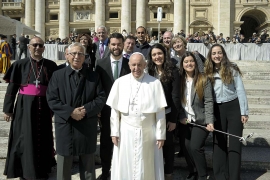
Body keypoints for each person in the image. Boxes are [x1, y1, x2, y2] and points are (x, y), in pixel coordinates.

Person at [46, 42, 106, 180]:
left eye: (80, 54)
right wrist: (71, 112)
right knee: (64, 165)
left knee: (88, 166)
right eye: (73, 53)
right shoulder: (57, 75)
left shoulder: (93, 76)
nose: (77, 56)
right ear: (67, 56)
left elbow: (101, 97)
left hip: (87, 124)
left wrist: (85, 110)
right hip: (66, 124)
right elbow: (52, 99)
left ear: (85, 57)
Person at [3, 37, 57, 179]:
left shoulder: (51, 65)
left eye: (40, 45)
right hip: (24, 107)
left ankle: (43, 168)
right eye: (34, 45)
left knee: (44, 137)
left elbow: (56, 88)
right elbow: (12, 87)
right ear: (29, 47)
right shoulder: (19, 64)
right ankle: (24, 170)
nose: (37, 47)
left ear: (44, 48)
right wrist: (7, 109)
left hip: (45, 106)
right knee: (24, 137)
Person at [107, 52, 167, 180]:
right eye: (133, 65)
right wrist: (114, 132)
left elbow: (160, 112)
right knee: (126, 162)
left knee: (147, 164)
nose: (136, 68)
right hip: (126, 132)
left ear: (145, 65)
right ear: (129, 65)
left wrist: (161, 135)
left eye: (139, 65)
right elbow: (115, 112)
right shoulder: (120, 82)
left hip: (148, 132)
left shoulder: (154, 83)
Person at [204, 44, 249, 180]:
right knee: (219, 143)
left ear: (223, 54)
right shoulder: (207, 71)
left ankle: (234, 176)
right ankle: (220, 176)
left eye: (219, 53)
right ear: (210, 56)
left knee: (235, 142)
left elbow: (240, 90)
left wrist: (244, 112)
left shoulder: (232, 69)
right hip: (217, 108)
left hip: (233, 106)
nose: (217, 56)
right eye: (214, 53)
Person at [95, 33, 131, 180]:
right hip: (106, 110)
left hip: (126, 110)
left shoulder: (130, 64)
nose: (116, 47)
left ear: (123, 45)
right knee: (105, 141)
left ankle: (123, 171)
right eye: (113, 44)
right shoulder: (100, 64)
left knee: (125, 141)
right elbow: (97, 88)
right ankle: (105, 171)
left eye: (119, 44)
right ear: (109, 45)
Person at [147, 44, 184, 180]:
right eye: (154, 55)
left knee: (168, 147)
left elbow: (175, 96)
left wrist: (173, 119)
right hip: (151, 115)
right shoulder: (149, 71)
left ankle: (168, 174)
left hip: (168, 114)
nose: (157, 57)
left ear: (165, 54)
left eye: (160, 53)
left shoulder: (173, 71)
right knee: (153, 144)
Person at [179, 52, 214, 180]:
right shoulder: (180, 80)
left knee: (195, 146)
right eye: (186, 61)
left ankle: (203, 175)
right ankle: (193, 171)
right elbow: (177, 101)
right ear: (182, 65)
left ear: (196, 63)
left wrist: (209, 121)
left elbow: (209, 101)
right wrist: (181, 116)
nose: (189, 64)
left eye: (191, 61)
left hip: (201, 119)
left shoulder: (203, 79)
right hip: (186, 120)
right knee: (187, 146)